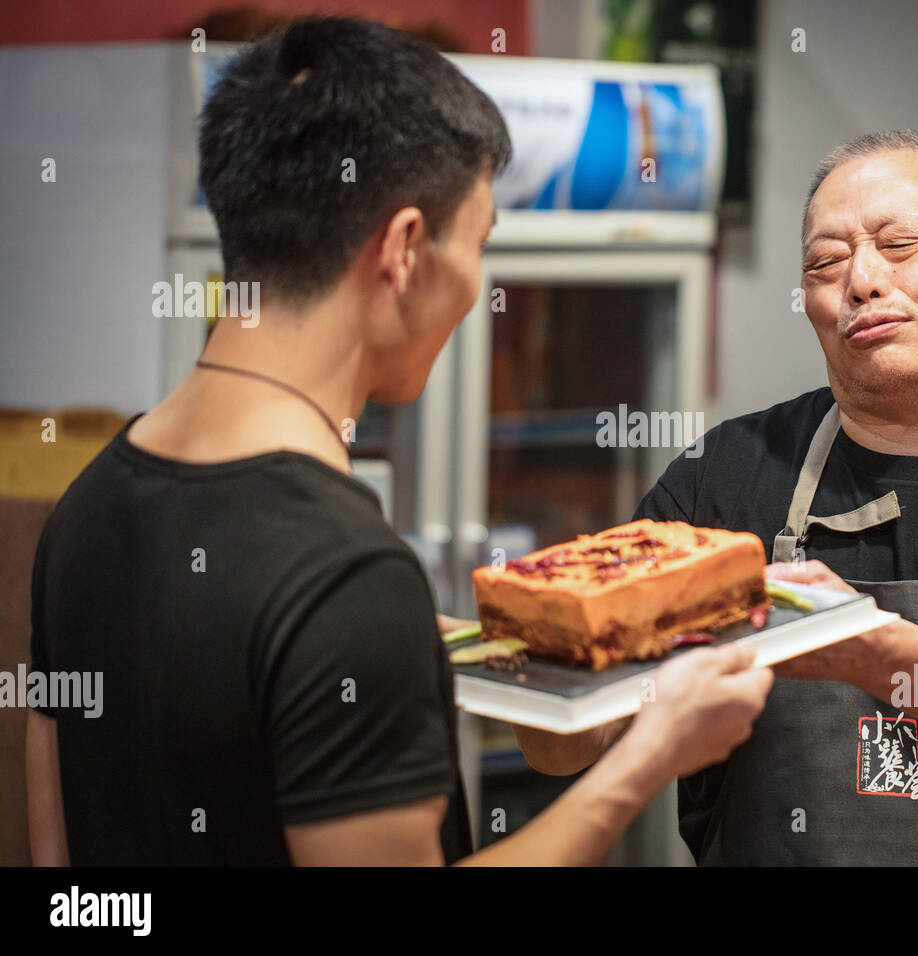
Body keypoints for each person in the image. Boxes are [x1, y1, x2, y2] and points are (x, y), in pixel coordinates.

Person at [25, 16, 772, 866]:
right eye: (481, 244)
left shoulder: (85, 506)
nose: (477, 289)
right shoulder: (347, 572)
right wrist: (651, 754)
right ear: (406, 249)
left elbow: (60, 863)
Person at [515, 130, 918, 865]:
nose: (860, 280)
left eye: (899, 246)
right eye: (827, 262)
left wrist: (865, 648)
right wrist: (530, 664)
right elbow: (567, 745)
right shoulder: (723, 477)